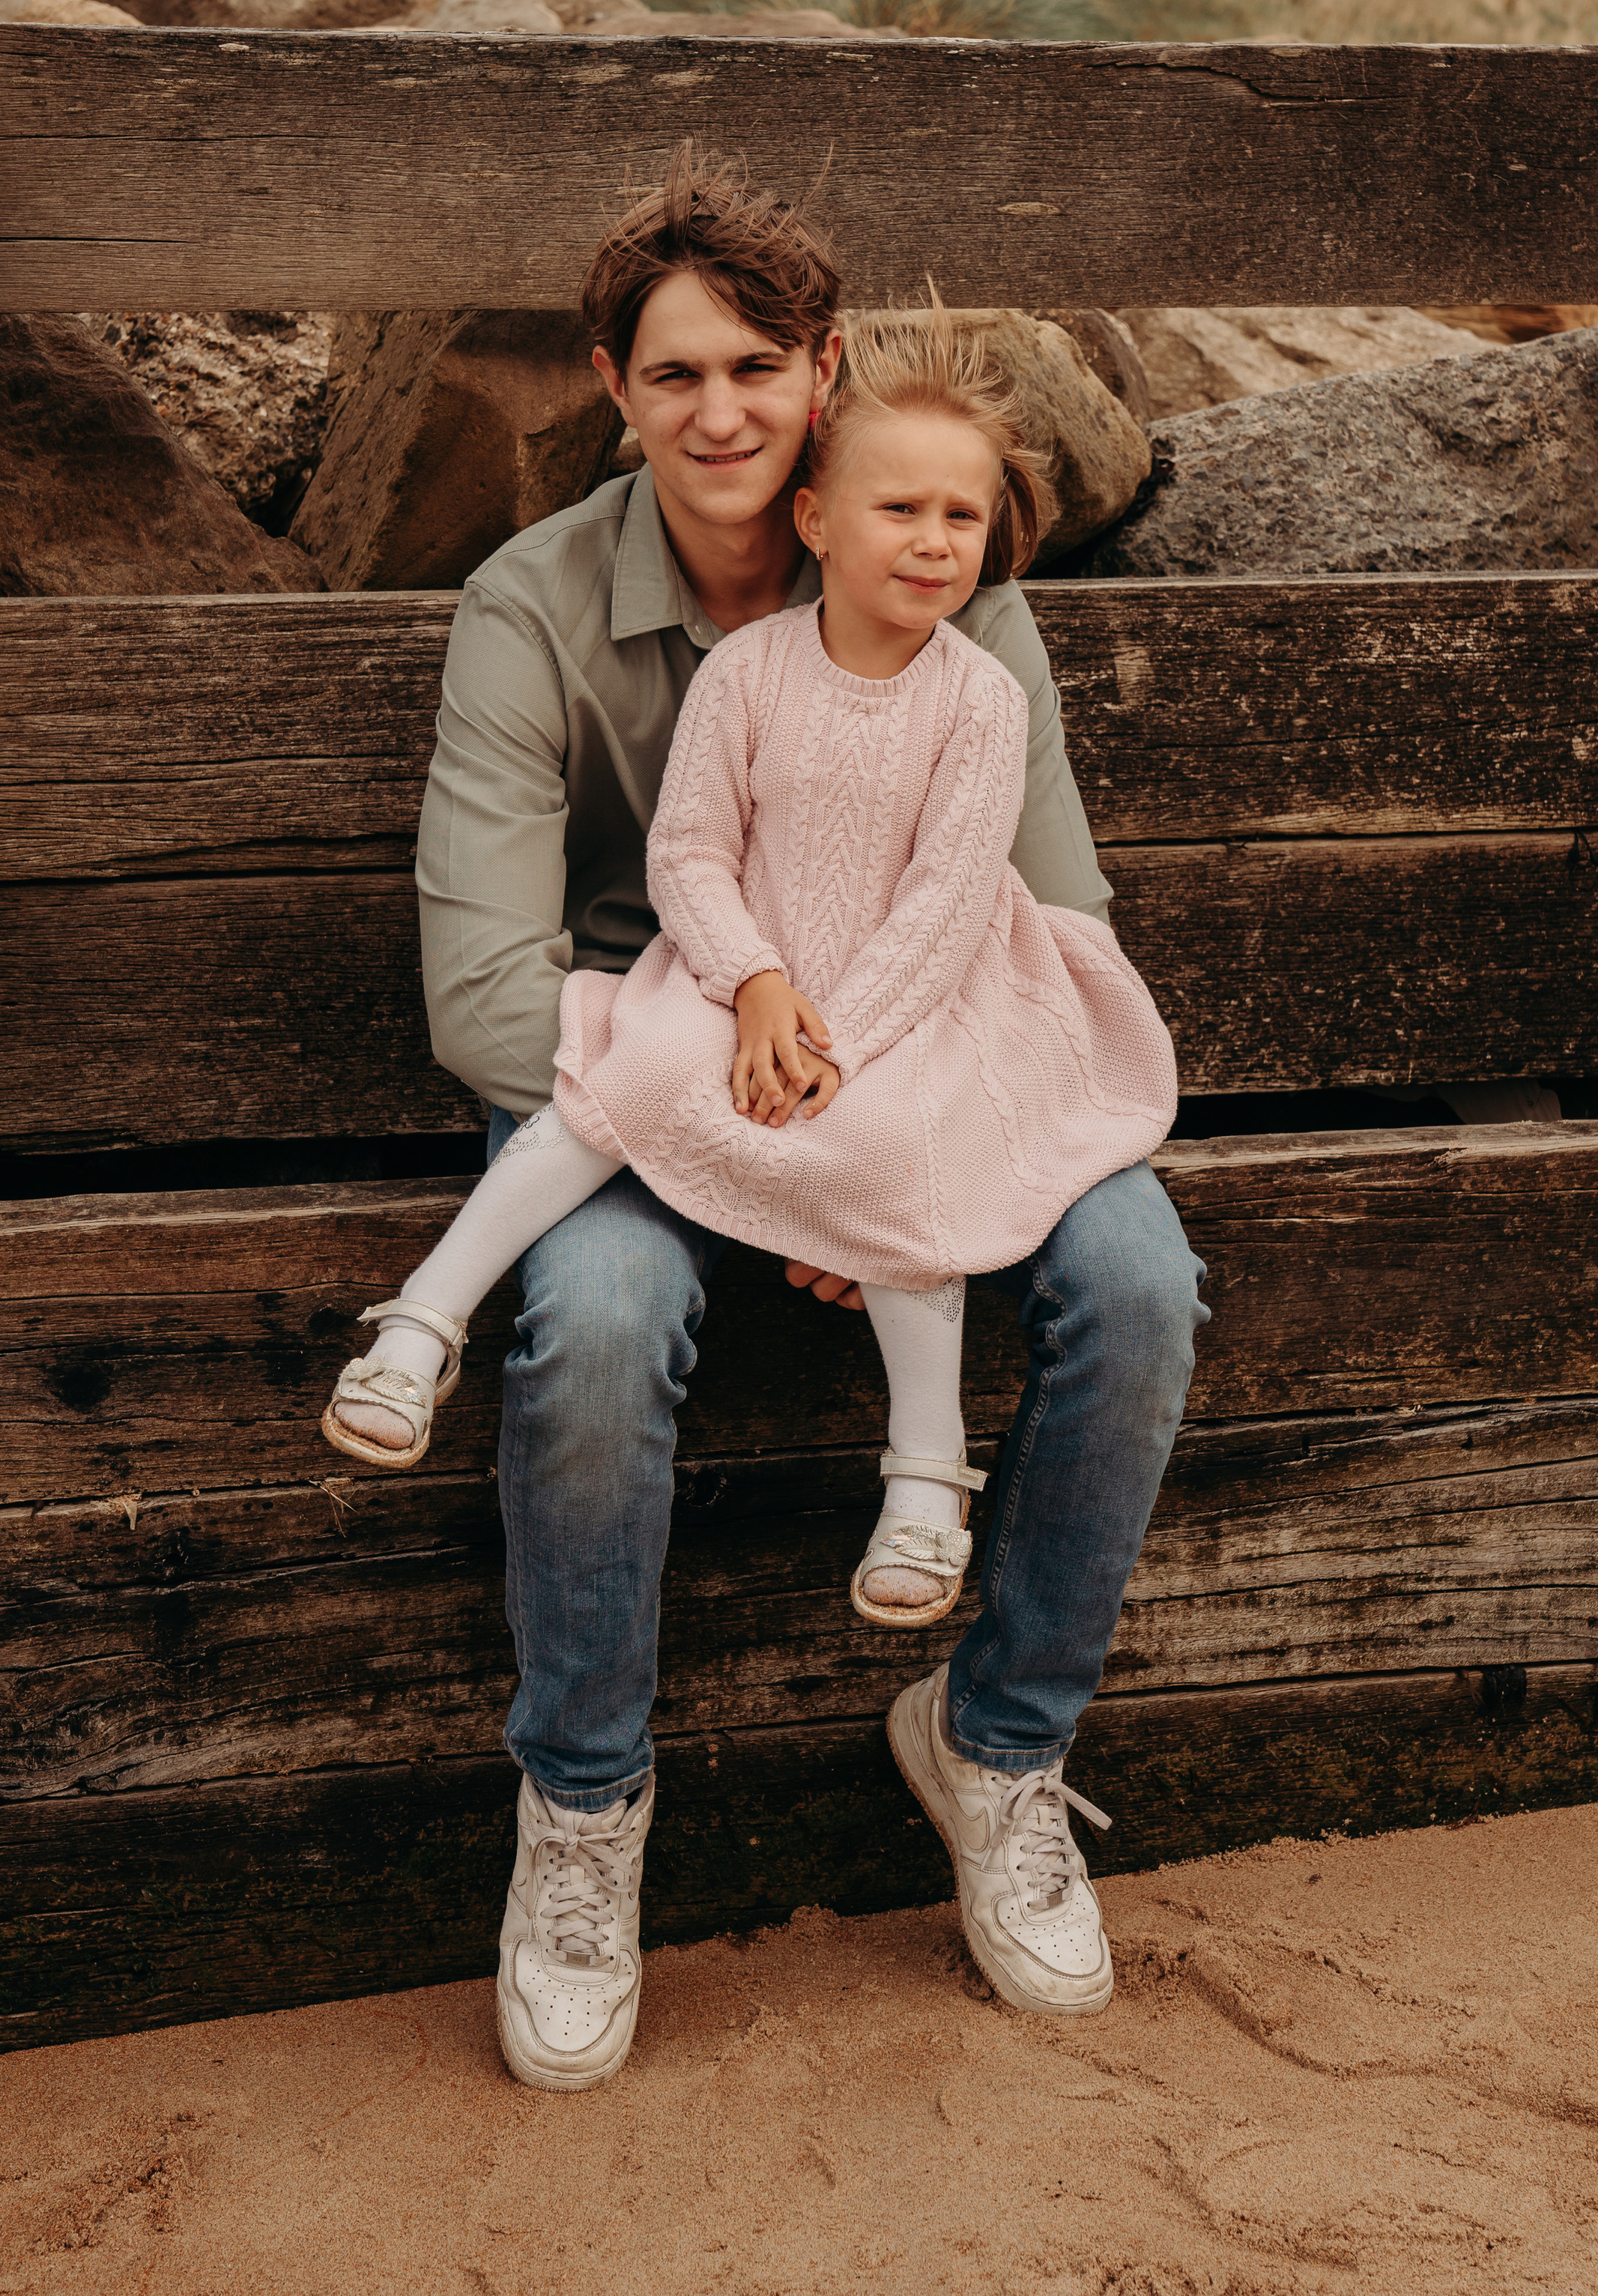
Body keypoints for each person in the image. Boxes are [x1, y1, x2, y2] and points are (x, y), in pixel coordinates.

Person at [344, 151, 1206, 2093]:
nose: (718, 412)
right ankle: (579, 1817)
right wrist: (751, 1110)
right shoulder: (531, 609)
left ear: (824, 375)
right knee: (609, 1320)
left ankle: (997, 1748)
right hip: (634, 1080)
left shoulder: (942, 576)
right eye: (674, 377)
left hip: (918, 1066)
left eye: (756, 367)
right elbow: (482, 998)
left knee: (1141, 1274)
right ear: (615, 386)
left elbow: (1049, 921)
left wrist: (864, 1125)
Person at [322, 310, 1180, 1655]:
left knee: (949, 1188)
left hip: (901, 1030)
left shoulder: (978, 683)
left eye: (965, 516)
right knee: (617, 1080)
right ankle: (421, 1324)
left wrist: (838, 1088)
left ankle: (924, 1482)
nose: (936, 541)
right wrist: (758, 987)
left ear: (815, 370)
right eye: (902, 508)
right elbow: (691, 850)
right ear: (820, 523)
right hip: (738, 997)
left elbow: (961, 899)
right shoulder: (740, 668)